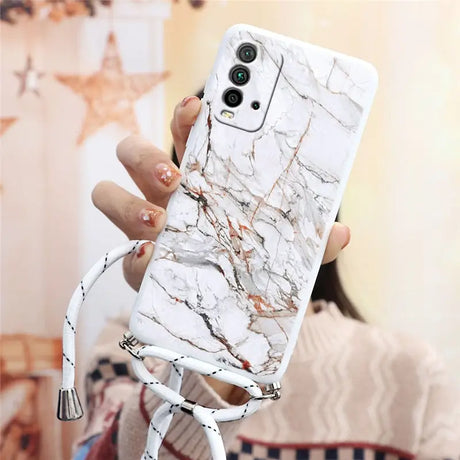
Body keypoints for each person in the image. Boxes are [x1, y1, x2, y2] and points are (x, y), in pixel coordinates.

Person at [74, 95, 460, 460]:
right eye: (222, 175)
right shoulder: (128, 349)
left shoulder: (410, 372)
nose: (249, 206)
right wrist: (206, 342)